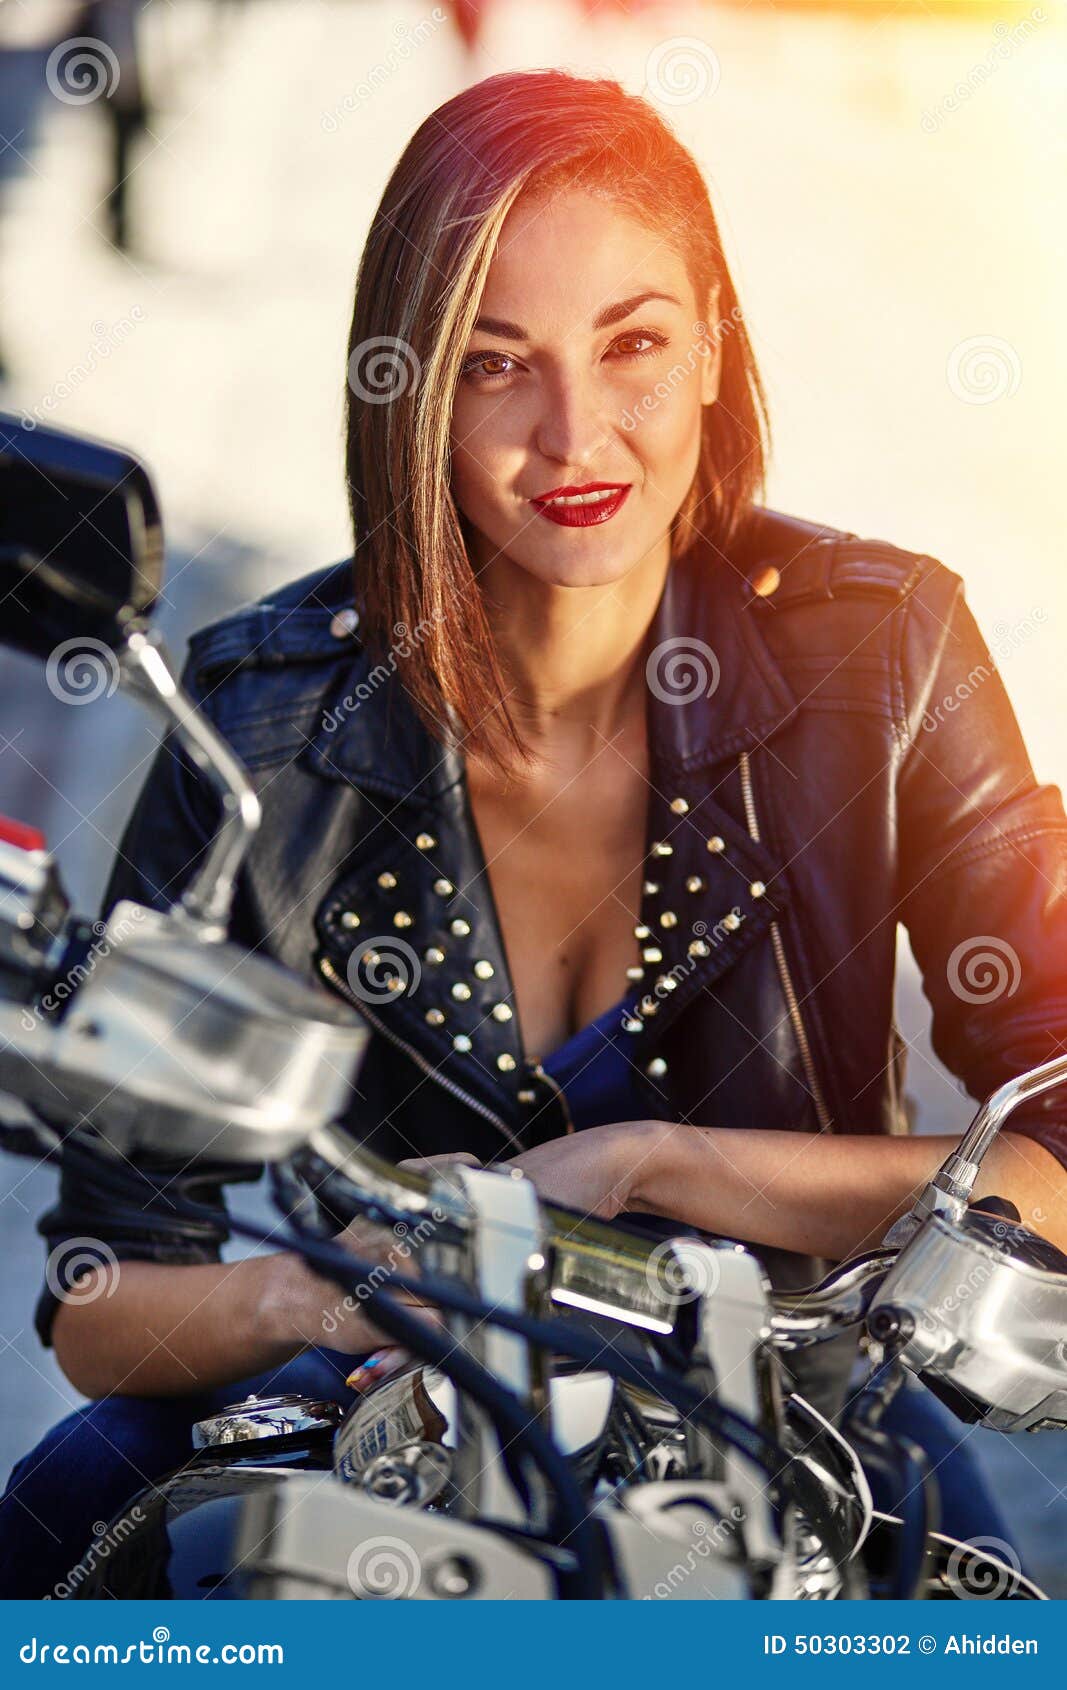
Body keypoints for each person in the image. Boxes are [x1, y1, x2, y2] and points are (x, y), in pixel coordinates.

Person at [2, 68, 1063, 1599]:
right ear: (412, 388)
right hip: (367, 1412)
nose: (578, 434)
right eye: (497, 365)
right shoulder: (258, 718)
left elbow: (1063, 1123)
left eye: (631, 342)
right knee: (64, 1529)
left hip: (799, 1414)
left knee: (979, 1592)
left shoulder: (884, 651)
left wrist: (650, 1164)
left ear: (712, 338)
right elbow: (102, 1296)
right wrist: (328, 1295)